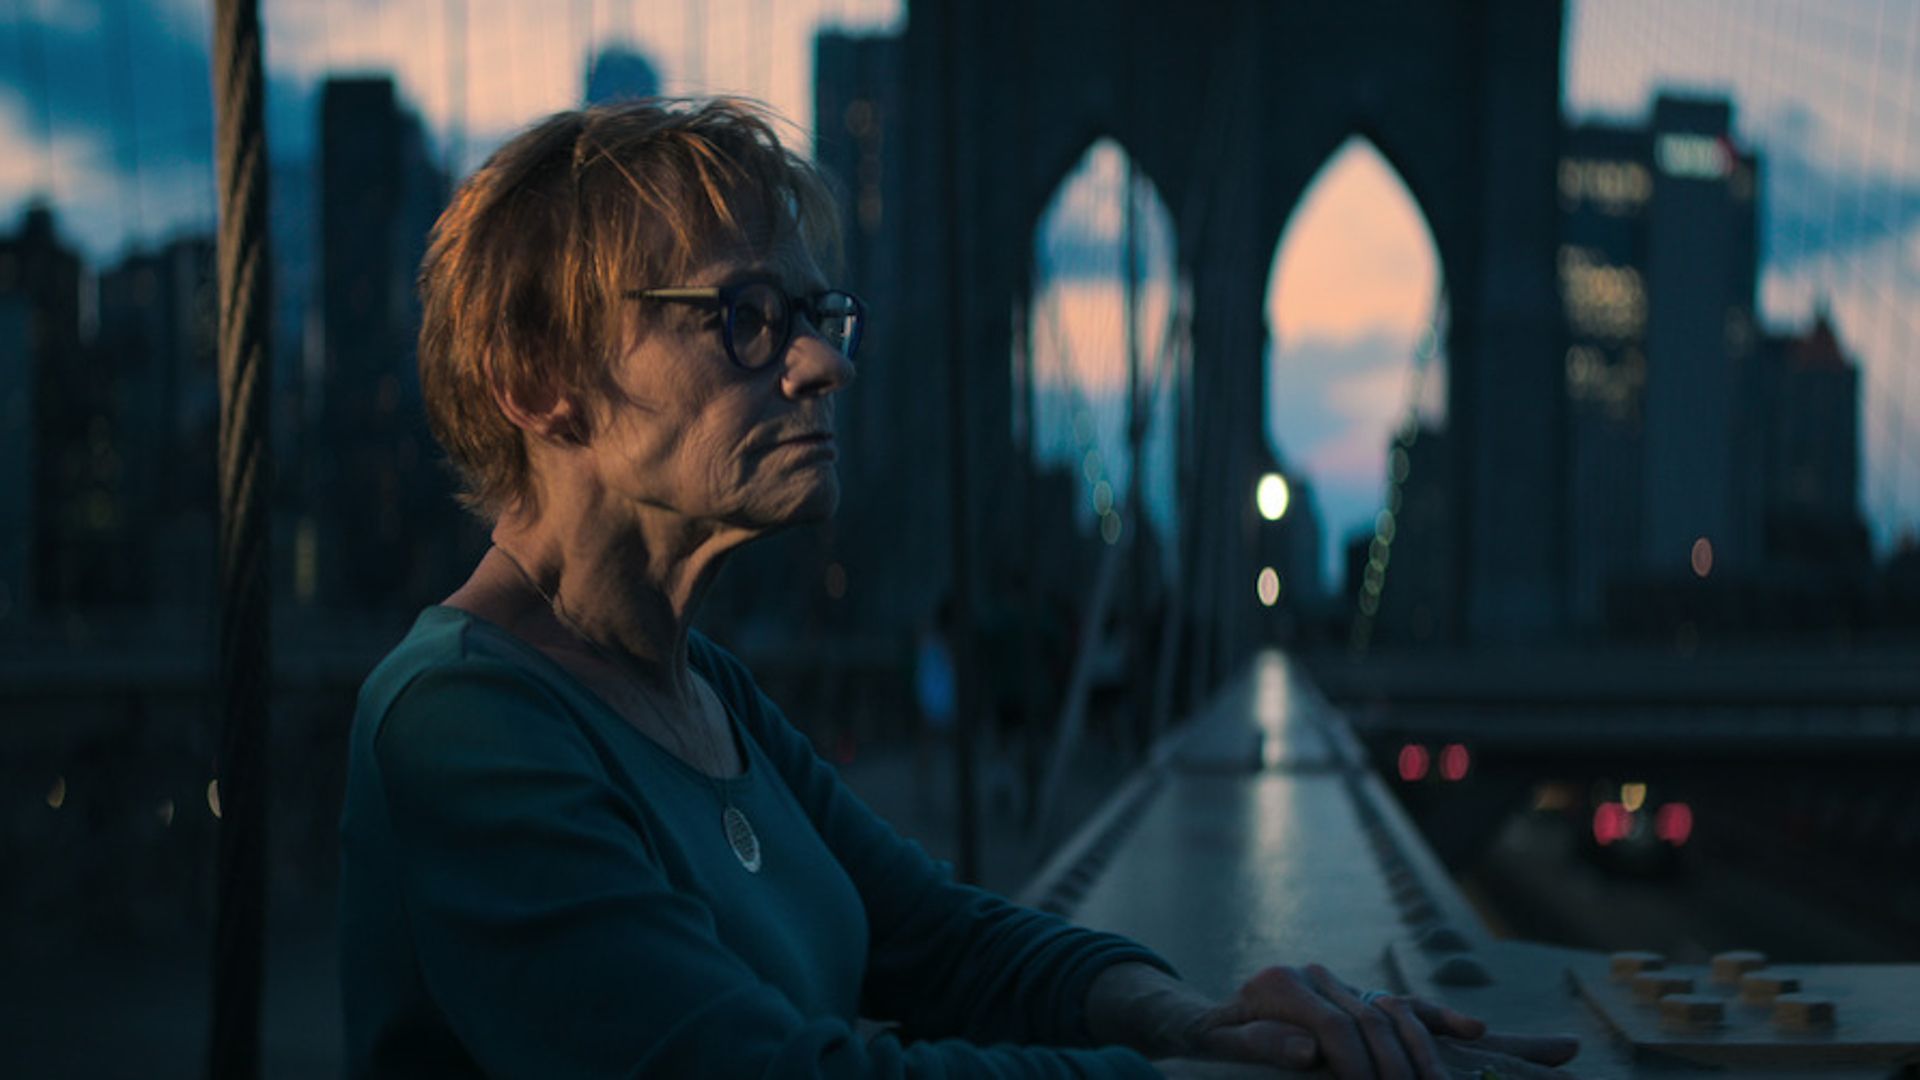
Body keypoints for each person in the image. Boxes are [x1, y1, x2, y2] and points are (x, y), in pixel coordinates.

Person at [337, 97, 1579, 1079]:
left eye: (822, 314)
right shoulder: (462, 724)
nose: (822, 362)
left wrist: (1194, 1020)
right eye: (747, 318)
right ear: (539, 378)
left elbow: (934, 936)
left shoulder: (699, 688)